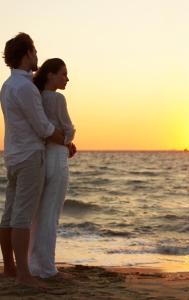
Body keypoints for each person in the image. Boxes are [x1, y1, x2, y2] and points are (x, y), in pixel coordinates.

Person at [0, 33, 65, 287]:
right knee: (22, 217)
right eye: (34, 50)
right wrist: (63, 138)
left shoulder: (7, 85)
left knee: (9, 215)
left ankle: (10, 268)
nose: (37, 55)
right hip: (28, 155)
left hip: (13, 155)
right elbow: (42, 126)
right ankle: (25, 275)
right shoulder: (25, 87)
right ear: (27, 53)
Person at [29, 58, 76, 278]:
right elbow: (68, 130)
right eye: (63, 74)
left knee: (39, 214)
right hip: (57, 159)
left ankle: (34, 264)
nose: (67, 78)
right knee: (51, 214)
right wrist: (68, 140)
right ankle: (47, 268)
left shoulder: (36, 97)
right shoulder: (57, 98)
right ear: (50, 75)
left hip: (42, 157)